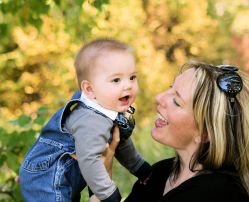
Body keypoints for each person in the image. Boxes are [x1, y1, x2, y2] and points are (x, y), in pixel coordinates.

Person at [104, 62, 249, 202]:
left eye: (177, 101)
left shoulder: (219, 194)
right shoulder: (159, 173)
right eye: (170, 88)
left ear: (206, 133)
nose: (159, 98)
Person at [19, 38, 151, 202]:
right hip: (46, 179)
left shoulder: (106, 108)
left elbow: (120, 140)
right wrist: (108, 193)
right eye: (116, 80)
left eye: (132, 77)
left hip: (65, 174)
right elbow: (90, 160)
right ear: (90, 89)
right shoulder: (90, 121)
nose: (128, 85)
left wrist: (140, 168)